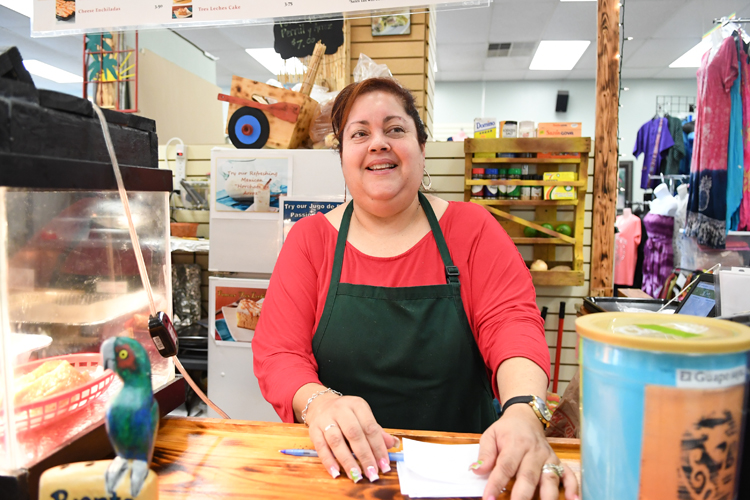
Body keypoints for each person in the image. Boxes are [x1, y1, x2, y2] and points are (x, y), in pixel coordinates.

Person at [253, 77, 579, 500]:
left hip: (467, 472)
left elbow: (512, 326)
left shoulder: (474, 229)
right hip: (340, 473)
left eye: (395, 129)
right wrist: (320, 403)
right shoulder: (310, 240)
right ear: (342, 157)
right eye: (359, 133)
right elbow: (279, 353)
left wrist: (523, 412)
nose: (378, 144)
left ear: (422, 149)